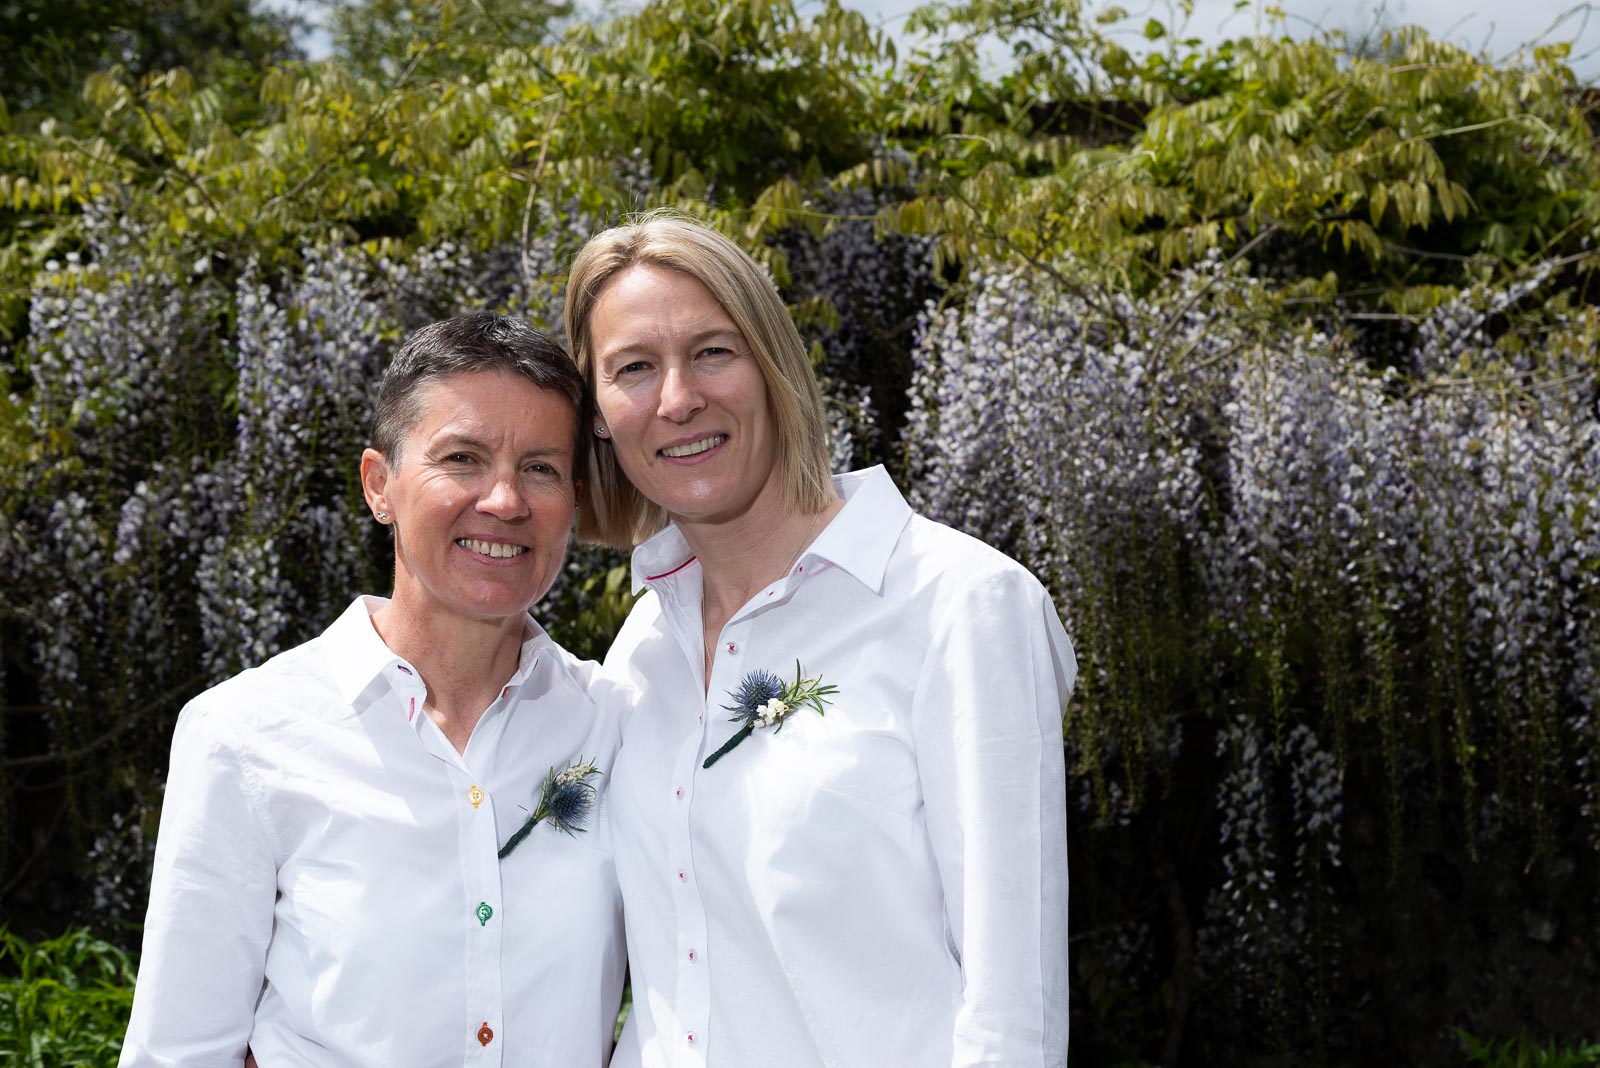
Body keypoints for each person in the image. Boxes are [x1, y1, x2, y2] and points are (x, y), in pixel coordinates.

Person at [565, 213, 1076, 1068]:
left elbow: (1011, 1015)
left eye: (713, 351)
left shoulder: (961, 606)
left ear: (773, 366)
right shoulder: (642, 648)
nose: (679, 397)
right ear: (599, 419)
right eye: (634, 369)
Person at [120, 313, 626, 1067]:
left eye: (541, 468)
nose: (504, 501)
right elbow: (178, 1053)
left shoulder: (614, 723)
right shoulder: (245, 734)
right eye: (463, 458)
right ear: (378, 485)